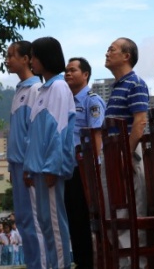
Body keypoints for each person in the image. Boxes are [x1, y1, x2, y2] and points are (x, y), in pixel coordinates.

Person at [23, 36, 75, 269]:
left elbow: (58, 130)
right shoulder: (43, 90)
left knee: (54, 224)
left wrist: (52, 167)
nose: (31, 61)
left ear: (45, 58)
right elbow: (34, 135)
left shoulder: (59, 87)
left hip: (49, 170)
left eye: (34, 56)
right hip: (38, 169)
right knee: (45, 223)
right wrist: (28, 167)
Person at [103, 37, 150, 267]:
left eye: (112, 49)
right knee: (115, 213)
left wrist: (126, 154)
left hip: (126, 152)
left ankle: (136, 264)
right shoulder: (117, 87)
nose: (107, 53)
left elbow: (140, 122)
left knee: (131, 212)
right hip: (113, 154)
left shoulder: (135, 84)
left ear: (126, 56)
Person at [64, 56, 106, 269]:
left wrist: (96, 170)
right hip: (69, 168)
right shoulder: (66, 102)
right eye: (66, 70)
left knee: (85, 217)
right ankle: (81, 261)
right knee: (73, 218)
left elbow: (97, 136)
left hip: (86, 169)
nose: (68, 74)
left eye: (73, 70)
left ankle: (91, 262)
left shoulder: (92, 101)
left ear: (86, 74)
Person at [4, 40, 42, 266]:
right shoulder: (20, 90)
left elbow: (34, 132)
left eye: (12, 55)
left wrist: (29, 164)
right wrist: (12, 167)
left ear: (26, 59)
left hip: (28, 166)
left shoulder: (35, 90)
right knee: (23, 220)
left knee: (34, 221)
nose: (7, 60)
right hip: (17, 165)